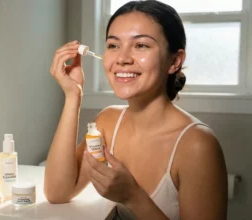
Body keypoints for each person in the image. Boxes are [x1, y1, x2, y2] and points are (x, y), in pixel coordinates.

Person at [44, 1, 228, 219]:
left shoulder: (197, 145)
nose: (122, 59)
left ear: (174, 61)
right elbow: (58, 192)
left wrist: (132, 196)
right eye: (113, 45)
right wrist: (73, 95)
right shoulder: (108, 122)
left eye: (141, 45)